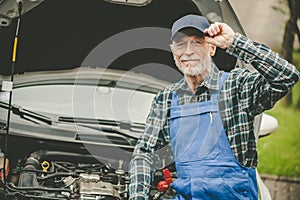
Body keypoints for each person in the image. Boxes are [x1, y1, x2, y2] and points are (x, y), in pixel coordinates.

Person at [128, 14, 299, 199]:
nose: (188, 51)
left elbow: (286, 76)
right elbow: (144, 153)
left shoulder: (237, 86)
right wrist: (138, 196)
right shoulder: (166, 99)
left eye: (197, 42)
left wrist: (234, 42)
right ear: (173, 51)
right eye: (180, 44)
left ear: (212, 48)